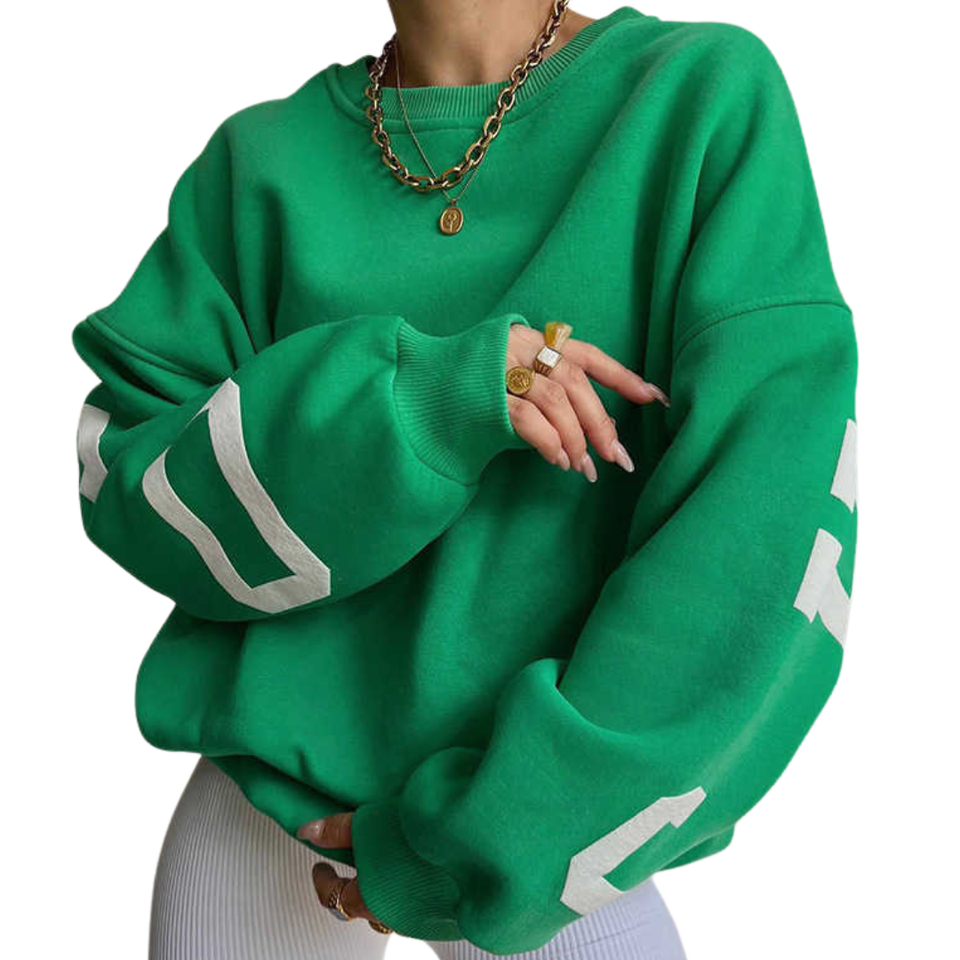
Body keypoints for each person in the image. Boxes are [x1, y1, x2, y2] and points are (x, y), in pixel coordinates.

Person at [71, 2, 859, 958]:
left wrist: (487, 850)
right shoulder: (259, 165)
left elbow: (751, 556)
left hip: (552, 852)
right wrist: (420, 403)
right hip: (264, 829)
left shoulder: (696, 101)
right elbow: (134, 487)